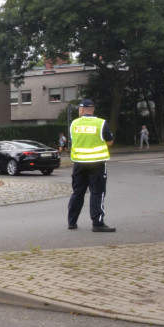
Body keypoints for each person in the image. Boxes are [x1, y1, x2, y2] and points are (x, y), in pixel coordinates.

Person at [68, 99, 115, 232]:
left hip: (79, 163)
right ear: (93, 109)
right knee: (97, 193)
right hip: (97, 163)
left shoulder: (74, 124)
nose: (78, 111)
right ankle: (97, 223)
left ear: (82, 110)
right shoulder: (101, 123)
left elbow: (73, 140)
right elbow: (110, 142)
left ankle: (72, 222)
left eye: (79, 109)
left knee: (78, 192)